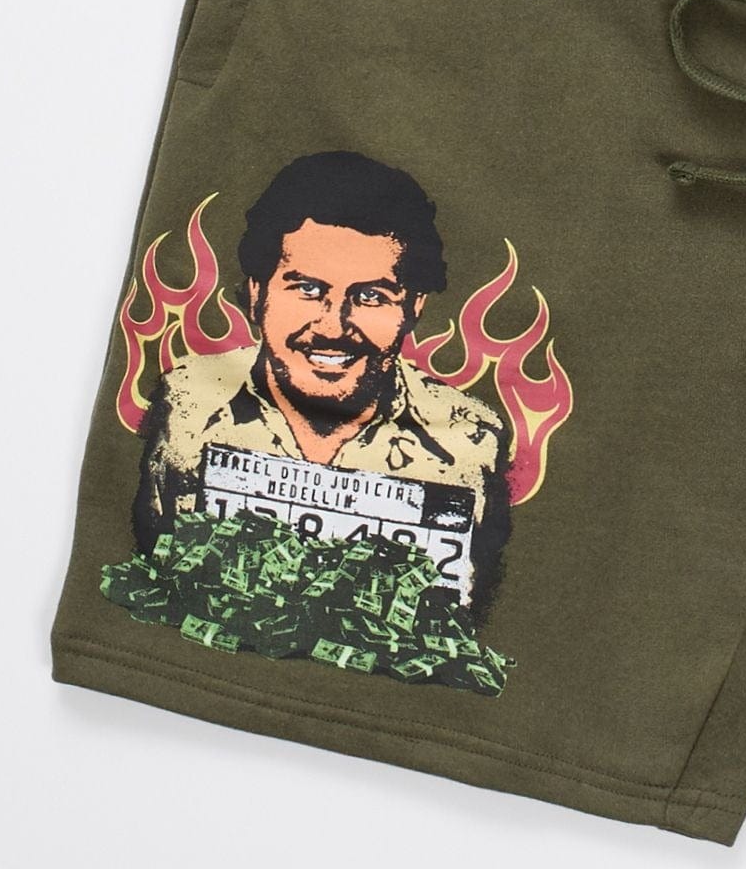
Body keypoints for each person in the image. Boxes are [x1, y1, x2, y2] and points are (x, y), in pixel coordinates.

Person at [132, 151, 512, 614]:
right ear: (257, 293)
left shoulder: (473, 441)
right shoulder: (185, 403)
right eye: (308, 289)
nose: (334, 326)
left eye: (371, 296)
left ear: (413, 308)